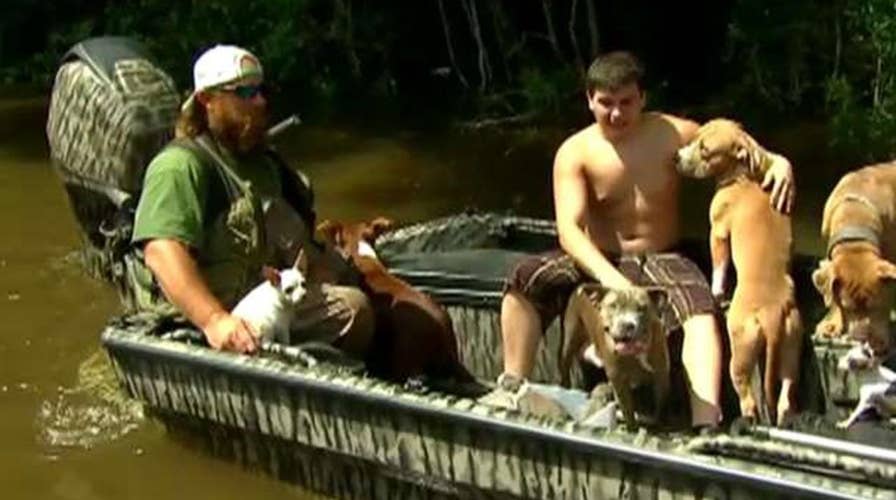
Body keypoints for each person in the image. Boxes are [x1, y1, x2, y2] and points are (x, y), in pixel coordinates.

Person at [490, 51, 795, 429]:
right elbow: (569, 229)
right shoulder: (575, 152)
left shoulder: (674, 132)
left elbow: (734, 145)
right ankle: (512, 389)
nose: (616, 114)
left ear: (642, 99)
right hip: (600, 253)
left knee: (700, 311)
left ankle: (706, 424)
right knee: (524, 279)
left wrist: (778, 161)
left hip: (663, 254)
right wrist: (609, 278)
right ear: (589, 100)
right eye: (606, 103)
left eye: (626, 103)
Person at [128, 44, 373, 356]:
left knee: (363, 289)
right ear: (207, 101)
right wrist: (214, 319)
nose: (260, 102)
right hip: (214, 316)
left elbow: (292, 238)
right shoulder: (180, 165)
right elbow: (162, 252)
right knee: (354, 309)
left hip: (265, 297)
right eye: (244, 93)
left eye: (261, 90)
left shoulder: (264, 164)